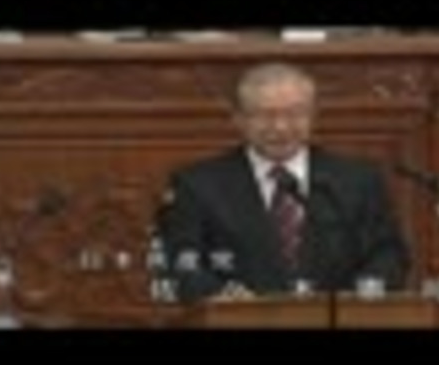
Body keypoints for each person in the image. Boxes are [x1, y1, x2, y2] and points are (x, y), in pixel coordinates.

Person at [156, 62, 410, 302]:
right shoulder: (197, 185)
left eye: (294, 114)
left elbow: (388, 254)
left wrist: (356, 300)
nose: (280, 127)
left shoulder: (356, 180)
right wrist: (226, 299)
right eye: (265, 116)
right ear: (238, 119)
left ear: (313, 116)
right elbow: (180, 262)